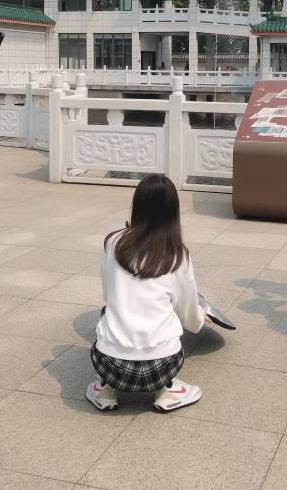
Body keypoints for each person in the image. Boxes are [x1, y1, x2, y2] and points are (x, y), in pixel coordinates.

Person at [86, 174, 207, 413]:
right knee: (171, 317)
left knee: (106, 311)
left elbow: (108, 296)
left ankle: (106, 389)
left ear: (137, 206)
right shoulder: (178, 254)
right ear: (173, 212)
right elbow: (190, 318)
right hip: (162, 367)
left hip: (110, 365)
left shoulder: (112, 243)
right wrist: (201, 316)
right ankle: (166, 391)